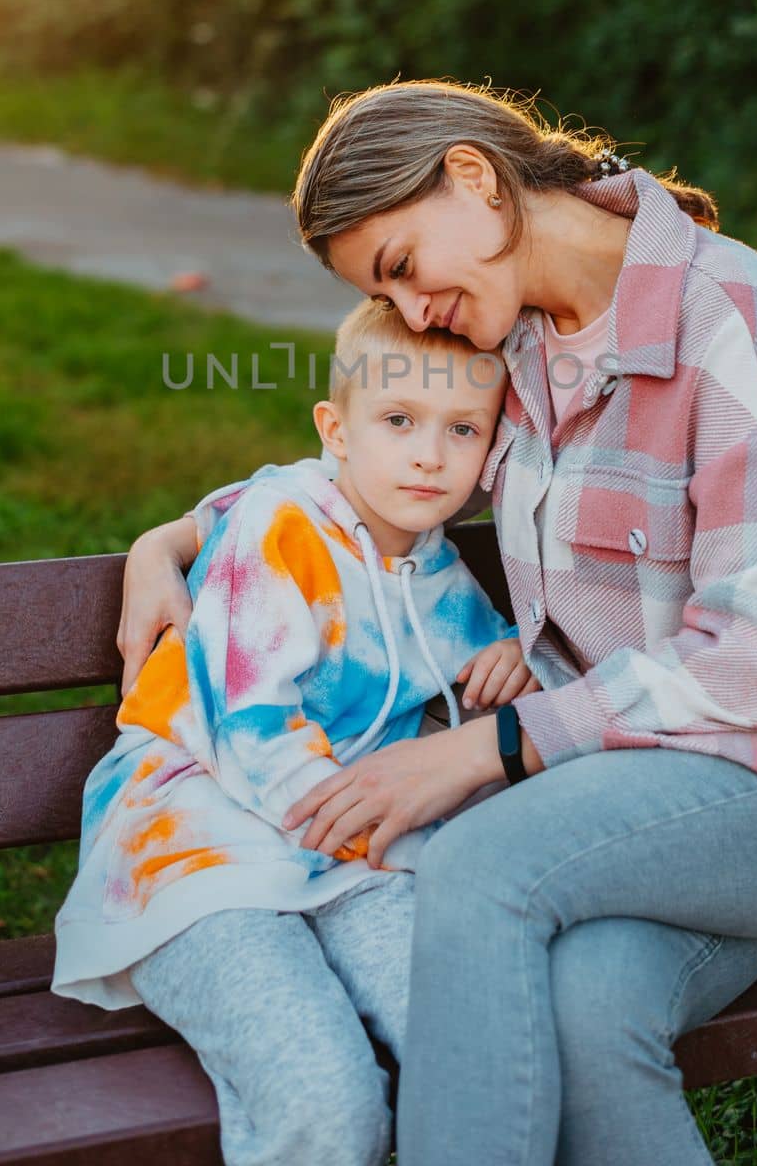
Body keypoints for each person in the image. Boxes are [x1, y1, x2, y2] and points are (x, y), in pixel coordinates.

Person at [117, 80, 757, 1166]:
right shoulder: (517, 340)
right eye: (381, 294)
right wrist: (169, 542)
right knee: (586, 1010)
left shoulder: (728, 316)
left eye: (401, 265)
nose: (409, 311)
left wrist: (500, 744)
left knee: (477, 862)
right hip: (659, 788)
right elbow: (370, 477)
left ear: (471, 175)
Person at [52, 294, 535, 1166]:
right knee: (328, 1100)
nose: (430, 455)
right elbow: (256, 727)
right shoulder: (279, 528)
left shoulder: (433, 565)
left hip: (345, 849)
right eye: (399, 419)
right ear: (336, 429)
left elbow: (481, 650)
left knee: (466, 1048)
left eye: (463, 430)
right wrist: (379, 831)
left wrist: (513, 662)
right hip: (198, 847)